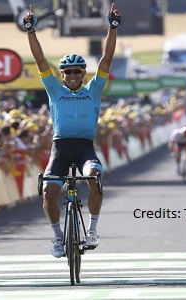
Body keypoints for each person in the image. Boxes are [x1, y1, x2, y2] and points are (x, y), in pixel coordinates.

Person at [23, 3, 121, 258]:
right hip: (61, 148)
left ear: (83, 73)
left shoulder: (94, 90)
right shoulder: (55, 90)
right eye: (68, 72)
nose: (73, 75)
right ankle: (58, 238)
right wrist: (31, 32)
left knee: (95, 179)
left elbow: (107, 58)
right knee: (48, 191)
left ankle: (92, 230)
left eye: (78, 71)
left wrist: (112, 28)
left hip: (85, 148)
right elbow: (40, 60)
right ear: (63, 74)